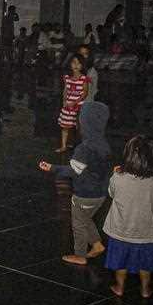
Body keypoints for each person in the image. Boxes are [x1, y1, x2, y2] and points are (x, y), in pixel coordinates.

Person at [39, 101, 111, 265]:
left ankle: (80, 255)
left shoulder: (84, 149)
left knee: (78, 223)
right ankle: (97, 244)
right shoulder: (103, 144)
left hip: (85, 193)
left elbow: (73, 171)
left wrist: (53, 168)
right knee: (85, 218)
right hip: (100, 193)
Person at [104, 135, 153, 298]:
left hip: (120, 231)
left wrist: (115, 174)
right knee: (145, 264)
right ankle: (145, 290)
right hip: (144, 233)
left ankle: (119, 287)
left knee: (120, 263)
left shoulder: (118, 177)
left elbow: (111, 193)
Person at [57, 54, 89, 153]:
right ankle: (63, 146)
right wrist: (64, 101)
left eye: (79, 63)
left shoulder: (84, 78)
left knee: (79, 127)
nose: (76, 65)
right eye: (74, 62)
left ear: (82, 65)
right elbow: (65, 90)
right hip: (68, 105)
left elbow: (85, 93)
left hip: (79, 106)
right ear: (70, 64)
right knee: (65, 126)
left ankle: (81, 147)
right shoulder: (67, 77)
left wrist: (76, 102)